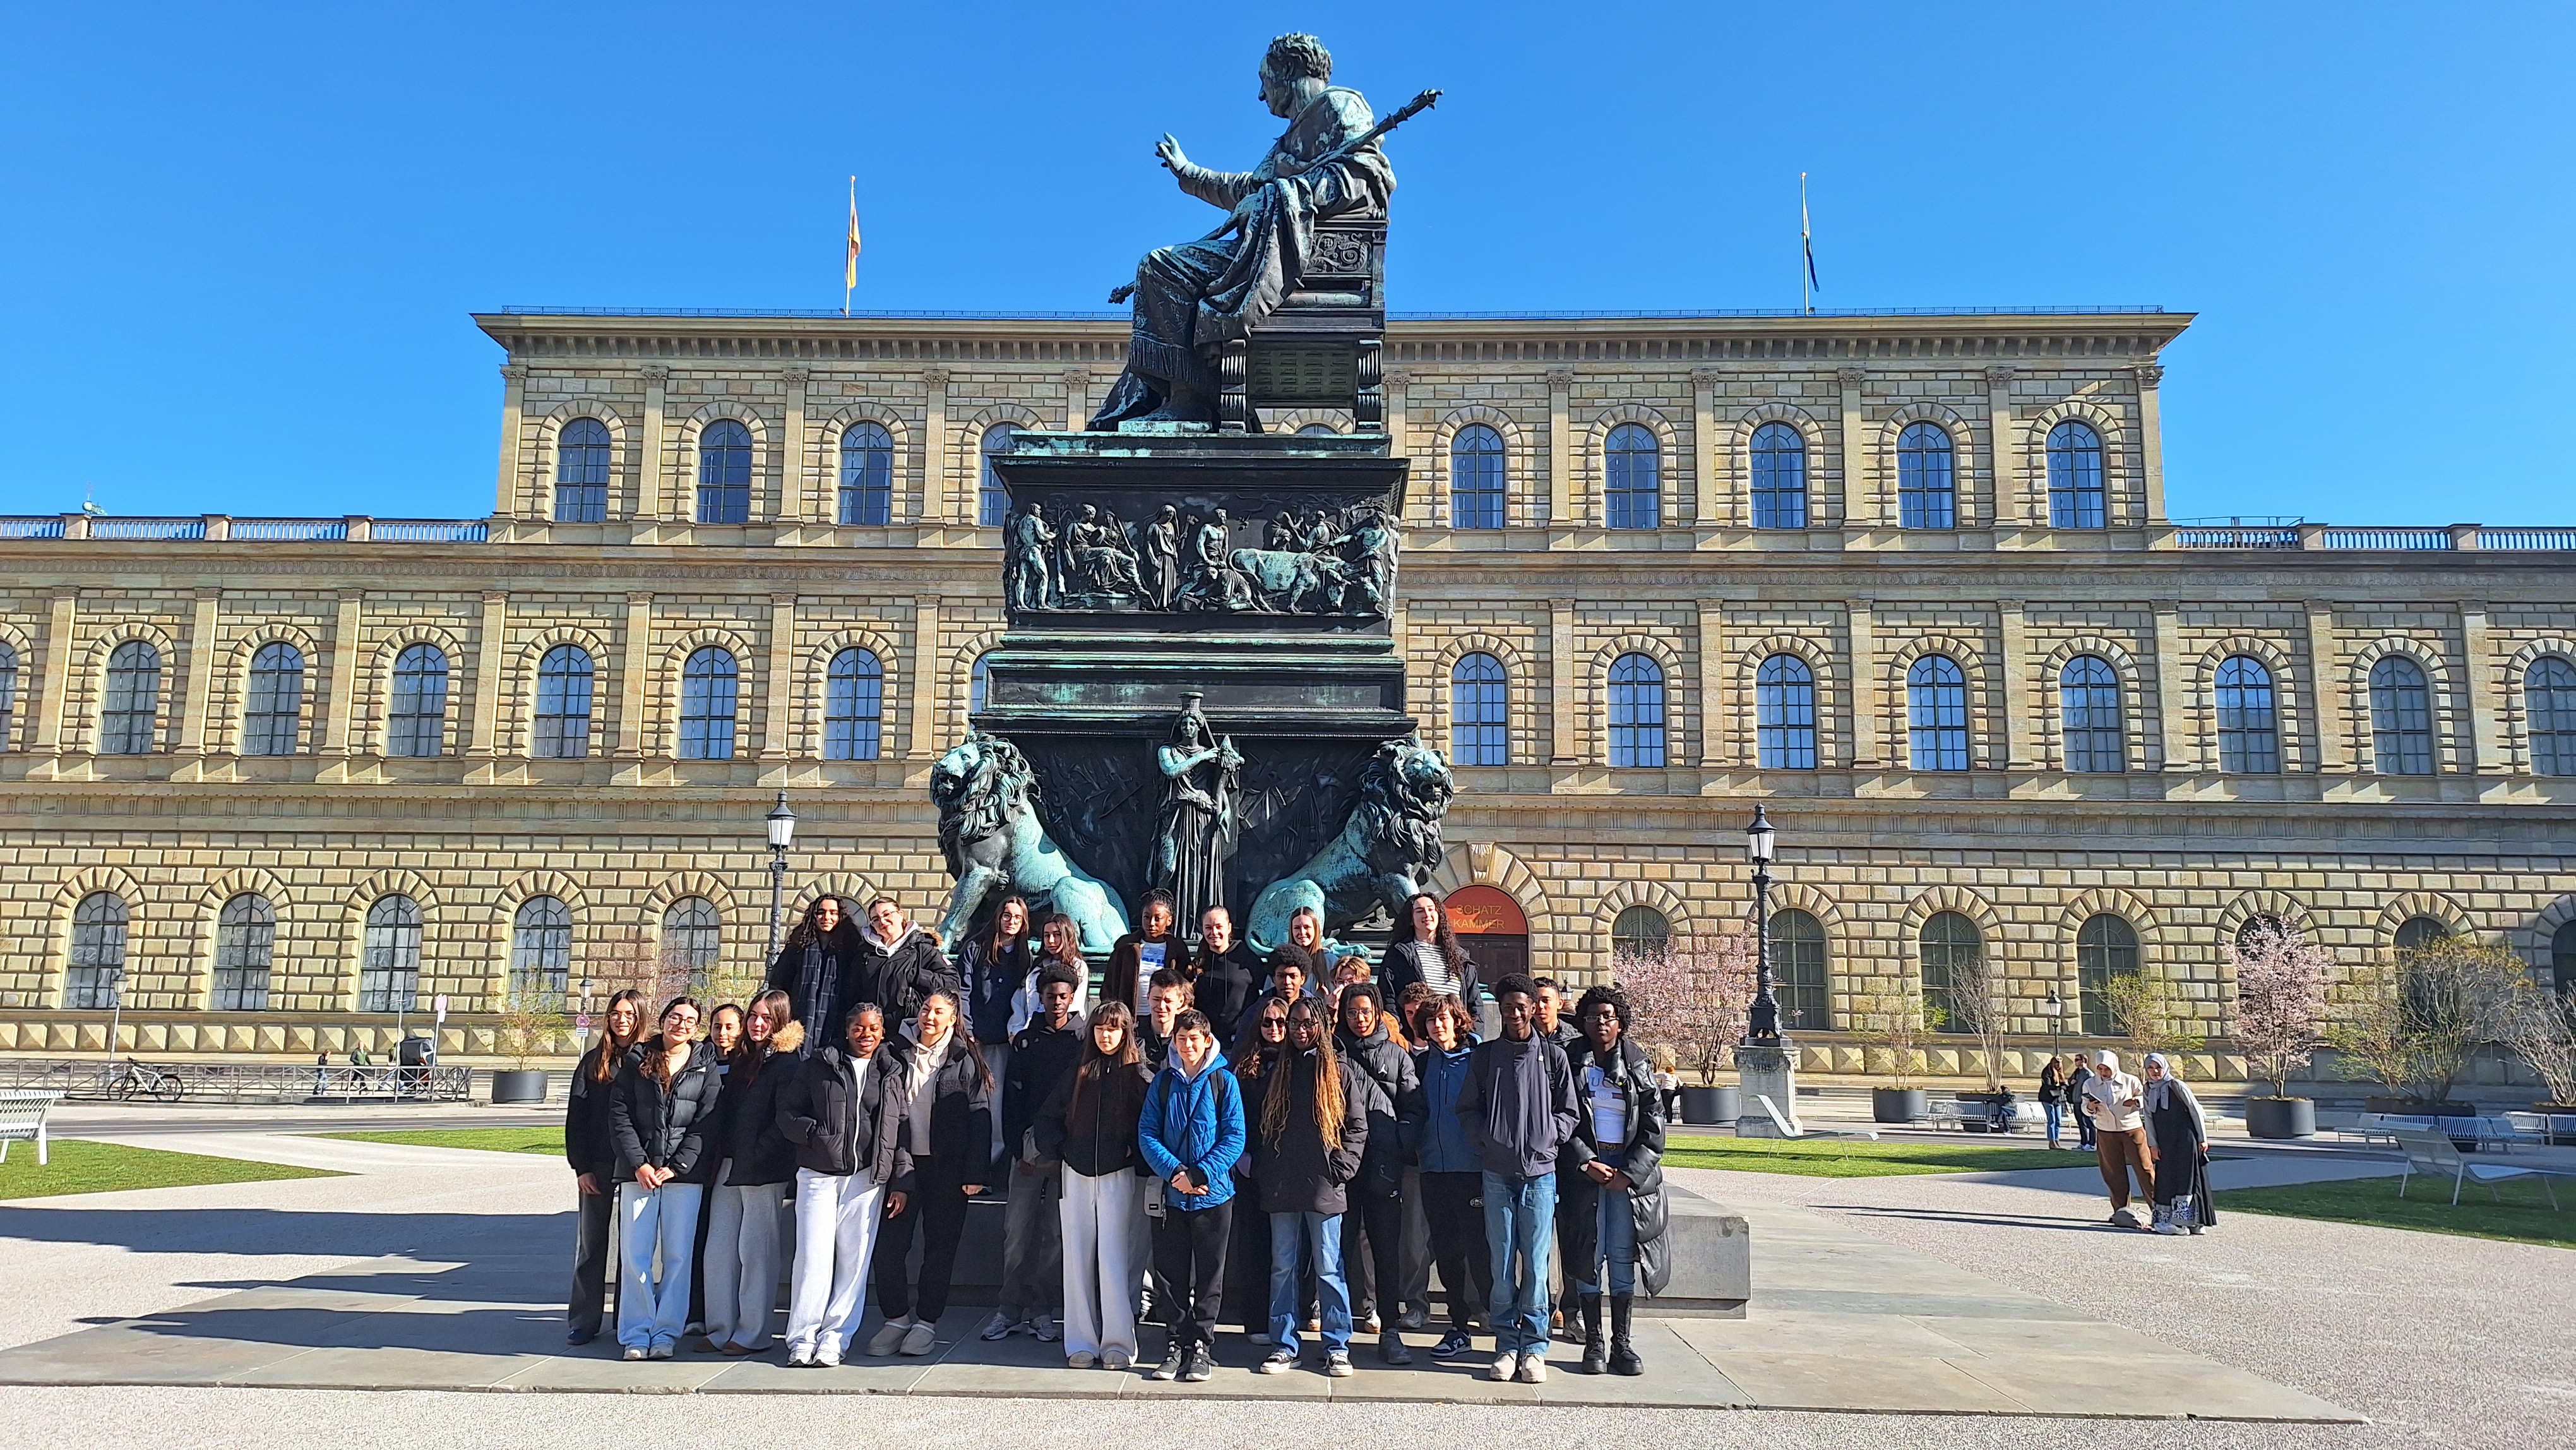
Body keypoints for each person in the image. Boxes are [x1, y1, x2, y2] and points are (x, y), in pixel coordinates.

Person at [1455, 972, 1579, 1384]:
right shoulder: (1486, 1057)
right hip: (1497, 1174)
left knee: (1538, 1268)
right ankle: (1507, 1344)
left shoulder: (1553, 1057)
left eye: (1521, 1007)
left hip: (1540, 1176)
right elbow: (1467, 1109)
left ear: (1533, 1009)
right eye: (1507, 1007)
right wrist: (1487, 1141)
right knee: (1502, 1265)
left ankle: (1535, 1348)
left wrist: (1549, 1137)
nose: (1515, 1014)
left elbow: (1570, 1111)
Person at [775, 1004, 907, 1369]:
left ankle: (835, 1338)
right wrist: (816, 1136)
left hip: (866, 1179)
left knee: (854, 1262)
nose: (866, 1034)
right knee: (812, 1258)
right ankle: (802, 1339)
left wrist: (901, 1179)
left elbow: (899, 1125)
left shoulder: (892, 1069)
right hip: (819, 1174)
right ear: (847, 1030)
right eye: (859, 1028)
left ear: (883, 1032)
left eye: (873, 1028)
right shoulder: (819, 1064)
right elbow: (787, 1112)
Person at [868, 990, 993, 1355]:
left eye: (939, 1012)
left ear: (953, 1019)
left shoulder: (964, 1058)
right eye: (926, 1009)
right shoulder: (894, 1052)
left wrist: (975, 1173)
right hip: (902, 1166)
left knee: (940, 1249)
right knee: (889, 1248)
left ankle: (926, 1323)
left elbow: (980, 1117)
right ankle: (896, 1319)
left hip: (948, 1169)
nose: (930, 1017)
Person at [1251, 995, 1368, 1377]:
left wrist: (1343, 1167)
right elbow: (1264, 1127)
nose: (1300, 1030)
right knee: (1282, 1267)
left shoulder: (1338, 1071)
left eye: (1308, 1023)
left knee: (1329, 1268)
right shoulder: (1278, 1071)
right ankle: (1284, 1345)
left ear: (1321, 1025)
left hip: (1325, 1184)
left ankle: (1337, 1346)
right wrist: (1267, 1170)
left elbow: (1357, 1126)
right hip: (1282, 1183)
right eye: (1294, 1024)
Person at [1558, 985, 1667, 1377]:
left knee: (1622, 1255)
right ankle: (1594, 1343)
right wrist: (1584, 1161)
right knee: (1589, 1254)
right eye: (1592, 1016)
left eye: (1607, 1016)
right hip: (1587, 1172)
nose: (1600, 1023)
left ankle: (1622, 1344)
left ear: (1620, 1022)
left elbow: (1654, 1126)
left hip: (1627, 1175)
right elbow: (1559, 1118)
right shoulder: (1569, 1060)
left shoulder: (1638, 1063)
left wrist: (1631, 1173)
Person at [1038, 999, 1153, 1370]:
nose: (1106, 1035)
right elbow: (1047, 1118)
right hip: (1076, 1175)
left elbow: (1151, 1125)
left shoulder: (1138, 1075)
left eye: (1114, 1029)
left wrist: (1132, 1154)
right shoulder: (1078, 1072)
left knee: (1115, 1259)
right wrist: (1063, 1150)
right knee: (1077, 1258)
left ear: (1126, 1033)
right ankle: (1081, 1341)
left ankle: (1119, 1342)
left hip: (1119, 1176)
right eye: (1101, 1028)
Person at [608, 996, 721, 1360]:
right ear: (663, 1019)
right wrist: (639, 1164)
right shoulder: (638, 1059)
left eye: (690, 1020)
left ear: (697, 1027)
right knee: (635, 1255)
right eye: (675, 1017)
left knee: (678, 1257)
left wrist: (678, 1165)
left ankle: (666, 1333)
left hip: (682, 1177)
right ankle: (636, 1334)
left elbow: (707, 1121)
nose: (681, 1025)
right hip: (638, 1174)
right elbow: (620, 1116)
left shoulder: (705, 1063)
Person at [1140, 1007, 1248, 1382]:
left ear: (1206, 1041)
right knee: (1170, 1275)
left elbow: (1234, 1136)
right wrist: (1176, 1173)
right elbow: (1148, 1133)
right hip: (1173, 1196)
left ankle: (1202, 1344)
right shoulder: (1163, 1081)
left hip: (1213, 1195)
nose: (1187, 1045)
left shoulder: (1224, 1081)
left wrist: (1200, 1173)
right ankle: (1175, 1342)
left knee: (1209, 1274)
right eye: (1181, 1038)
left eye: (1194, 1039)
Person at [983, 961, 1083, 1343]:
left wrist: (1067, 1149)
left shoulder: (1083, 1042)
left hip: (1066, 1154)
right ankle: (1009, 1309)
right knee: (1016, 1233)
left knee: (1055, 1237)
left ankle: (1043, 1311)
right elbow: (1011, 1100)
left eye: (1063, 996)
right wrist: (1016, 1149)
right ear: (1040, 998)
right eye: (1050, 995)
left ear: (1072, 998)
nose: (1056, 1002)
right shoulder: (1025, 1041)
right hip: (1026, 1153)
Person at [701, 990, 802, 1355]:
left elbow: (785, 1118)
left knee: (756, 1251)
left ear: (779, 1021)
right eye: (753, 1016)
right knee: (719, 1249)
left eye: (766, 1018)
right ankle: (720, 1328)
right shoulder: (744, 1058)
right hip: (730, 1163)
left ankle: (753, 1333)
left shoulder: (788, 1063)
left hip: (763, 1168)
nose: (758, 1024)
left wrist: (758, 1153)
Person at [1332, 981, 1421, 1362]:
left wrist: (1397, 1142)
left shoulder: (1398, 1055)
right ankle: (1336, 1331)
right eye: (1352, 1012)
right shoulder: (1332, 1053)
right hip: (1342, 1165)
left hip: (1384, 1164)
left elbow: (1414, 1108)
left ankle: (1391, 1329)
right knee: (1338, 1249)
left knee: (1386, 1250)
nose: (1360, 1019)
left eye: (1366, 1012)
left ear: (1378, 1013)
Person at [563, 988, 647, 1346]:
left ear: (640, 1018)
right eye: (616, 1013)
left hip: (634, 1166)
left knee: (633, 1247)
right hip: (597, 1164)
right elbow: (576, 1118)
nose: (621, 1020)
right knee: (592, 1244)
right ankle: (584, 1320)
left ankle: (627, 1318)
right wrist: (580, 1167)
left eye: (629, 1014)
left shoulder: (649, 1058)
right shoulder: (593, 1061)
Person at [1409, 992, 1491, 1358]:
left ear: (1458, 1021)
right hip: (1433, 1169)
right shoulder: (1421, 1064)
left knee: (1481, 1250)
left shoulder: (1478, 1060)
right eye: (1430, 1020)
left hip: (1472, 1169)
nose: (1437, 1025)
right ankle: (1458, 1326)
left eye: (1443, 1018)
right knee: (1446, 1252)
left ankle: (1495, 1317)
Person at [1226, 995, 1292, 1341]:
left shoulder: (1298, 1062)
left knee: (1287, 1250)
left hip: (1286, 1167)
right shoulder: (1241, 1066)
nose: (1275, 1028)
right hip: (1250, 1166)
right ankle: (1256, 1319)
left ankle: (1286, 1319)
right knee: (1253, 1244)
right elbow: (1232, 1116)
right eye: (1268, 1022)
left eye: (1282, 1022)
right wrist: (1241, 1156)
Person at [684, 1003, 746, 1341]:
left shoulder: (746, 1063)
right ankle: (696, 1312)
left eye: (730, 1027)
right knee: (698, 1236)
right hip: (700, 1160)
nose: (723, 1033)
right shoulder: (699, 1060)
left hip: (731, 1158)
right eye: (717, 1026)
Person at [959, 894, 1035, 1166]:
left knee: (998, 1099)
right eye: (1007, 915)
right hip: (977, 1038)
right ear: (998, 917)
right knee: (972, 1097)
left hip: (1007, 1041)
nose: (1011, 921)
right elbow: (963, 991)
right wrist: (967, 1029)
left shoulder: (1026, 956)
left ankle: (994, 1159)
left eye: (1018, 918)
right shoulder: (975, 948)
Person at [766, 896, 860, 1057]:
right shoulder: (798, 947)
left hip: (836, 1022)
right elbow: (779, 982)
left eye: (833, 913)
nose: (827, 917)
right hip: (799, 1022)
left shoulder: (850, 950)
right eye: (821, 912)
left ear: (840, 916)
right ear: (814, 916)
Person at [853, 896, 958, 1033]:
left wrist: (916, 975)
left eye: (887, 914)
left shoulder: (922, 949)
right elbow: (852, 994)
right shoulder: (865, 953)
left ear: (900, 914)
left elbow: (952, 982)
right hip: (872, 1032)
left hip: (911, 1029)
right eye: (876, 919)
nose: (882, 921)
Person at [2082, 1048, 2155, 1229]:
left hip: (2131, 1129)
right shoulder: (2090, 1084)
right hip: (2106, 1132)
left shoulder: (2130, 1080)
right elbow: (2085, 1109)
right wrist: (2090, 1107)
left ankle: (2159, 1210)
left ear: (2114, 1066)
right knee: (2113, 1173)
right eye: (2100, 1069)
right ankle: (2121, 1212)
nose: (2103, 1073)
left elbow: (2145, 1098)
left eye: (2107, 1069)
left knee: (2144, 1169)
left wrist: (2136, 1102)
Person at [2143, 1053, 2214, 1236]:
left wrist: (2202, 1138)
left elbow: (2195, 1110)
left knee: (2186, 1178)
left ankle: (2189, 1222)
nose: (2155, 1072)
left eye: (2158, 1067)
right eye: (2151, 1068)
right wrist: (2153, 1145)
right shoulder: (2148, 1089)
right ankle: (2170, 1221)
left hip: (2184, 1138)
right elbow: (2149, 1118)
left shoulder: (2176, 1085)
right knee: (2167, 1178)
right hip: (2164, 1141)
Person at [1383, 892, 1477, 1009]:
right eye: (1419, 911)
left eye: (1431, 909)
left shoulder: (1459, 956)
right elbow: (1388, 997)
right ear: (1411, 919)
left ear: (1439, 915)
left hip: (1455, 1020)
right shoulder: (1398, 954)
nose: (1427, 914)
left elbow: (1474, 1002)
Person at [1185, 905, 1261, 1041]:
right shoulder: (1198, 963)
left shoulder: (1248, 960)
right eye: (1208, 928)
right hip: (1205, 1039)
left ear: (1229, 928)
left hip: (1241, 1039)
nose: (1214, 932)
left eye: (1219, 927)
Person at [1104, 890, 1181, 1013]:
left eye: (1157, 919)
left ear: (1169, 921)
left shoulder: (1177, 949)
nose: (1151, 923)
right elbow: (1109, 984)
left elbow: (1185, 986)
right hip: (1129, 1016)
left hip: (1163, 1016)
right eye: (1147, 917)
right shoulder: (1126, 946)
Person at [1138, 967, 1193, 1069]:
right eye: (1156, 999)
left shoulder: (1190, 1038)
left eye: (1168, 1001)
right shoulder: (1133, 1034)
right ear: (1148, 998)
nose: (1161, 1006)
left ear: (1180, 1002)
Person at [1532, 977, 1582, 1055]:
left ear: (1560, 1003)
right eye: (1535, 1001)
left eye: (1546, 1000)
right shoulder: (1521, 1038)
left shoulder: (1576, 1040)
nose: (1540, 1006)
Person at [2067, 1055, 2098, 1150]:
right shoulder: (2076, 1072)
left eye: (2077, 1060)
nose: (2075, 1062)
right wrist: (2071, 1082)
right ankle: (2084, 1142)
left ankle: (2091, 1143)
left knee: (2089, 1123)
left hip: (2085, 1102)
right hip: (2076, 1101)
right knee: (2081, 1123)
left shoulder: (2088, 1074)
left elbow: (2092, 1088)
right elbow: (2070, 1082)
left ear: (2083, 1061)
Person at [2038, 1056, 2069, 1149]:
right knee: (2052, 1120)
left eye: (2059, 1064)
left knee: (2058, 1121)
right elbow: (2048, 1085)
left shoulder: (2060, 1073)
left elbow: (2061, 1083)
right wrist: (2059, 1087)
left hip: (2057, 1099)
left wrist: (2065, 1086)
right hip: (2048, 1098)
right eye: (2056, 1063)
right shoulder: (2047, 1071)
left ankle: (2057, 1140)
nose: (2058, 1065)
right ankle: (2052, 1142)